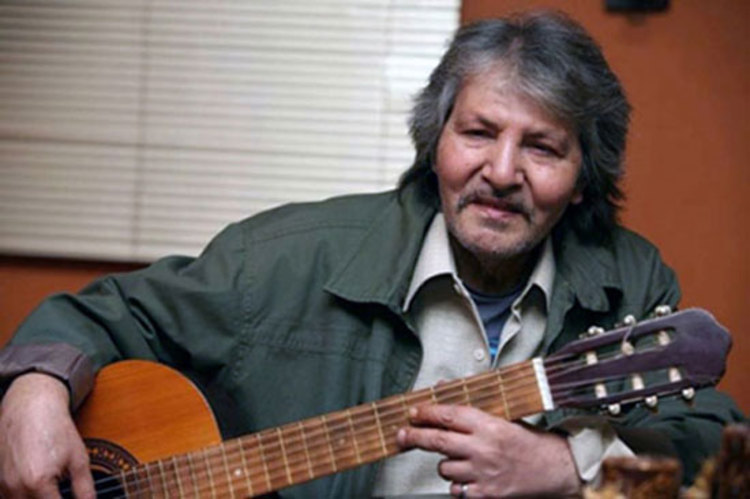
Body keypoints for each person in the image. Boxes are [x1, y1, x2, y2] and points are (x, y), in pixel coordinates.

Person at [0, 10, 744, 499]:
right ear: (436, 142)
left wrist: (566, 468)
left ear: (583, 180)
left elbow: (713, 447)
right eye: (478, 133)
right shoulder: (288, 257)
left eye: (543, 147)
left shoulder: (630, 282)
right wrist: (34, 389)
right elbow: (102, 315)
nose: (502, 171)